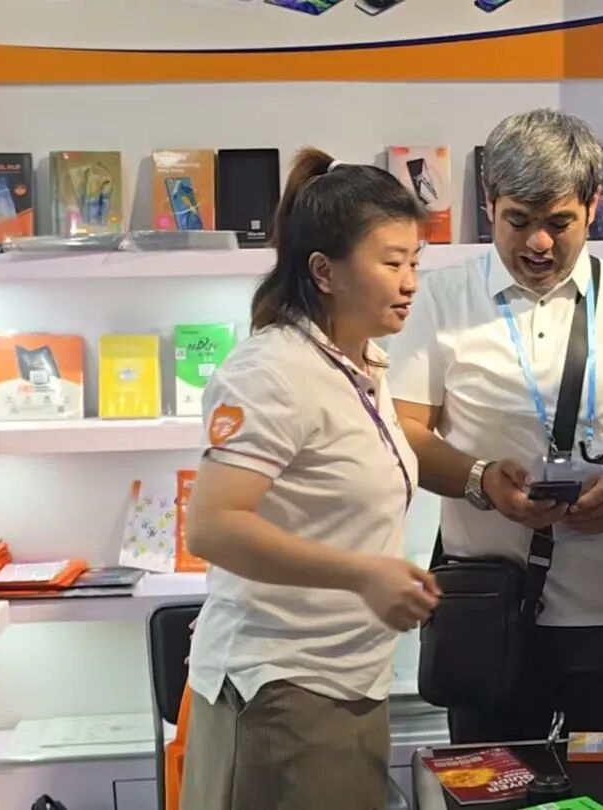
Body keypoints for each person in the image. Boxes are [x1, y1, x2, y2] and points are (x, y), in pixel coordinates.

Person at [386, 109, 603, 743]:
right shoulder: (442, 301)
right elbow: (401, 436)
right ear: (489, 205)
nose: (538, 243)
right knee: (493, 781)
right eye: (518, 221)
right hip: (487, 611)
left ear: (592, 206)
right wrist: (482, 480)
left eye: (559, 223)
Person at [180, 147, 441, 810]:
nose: (410, 282)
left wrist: (479, 478)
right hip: (281, 689)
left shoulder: (362, 365)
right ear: (324, 271)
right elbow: (213, 526)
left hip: (352, 681)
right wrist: (362, 574)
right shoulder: (271, 372)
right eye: (392, 263)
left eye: (415, 262)